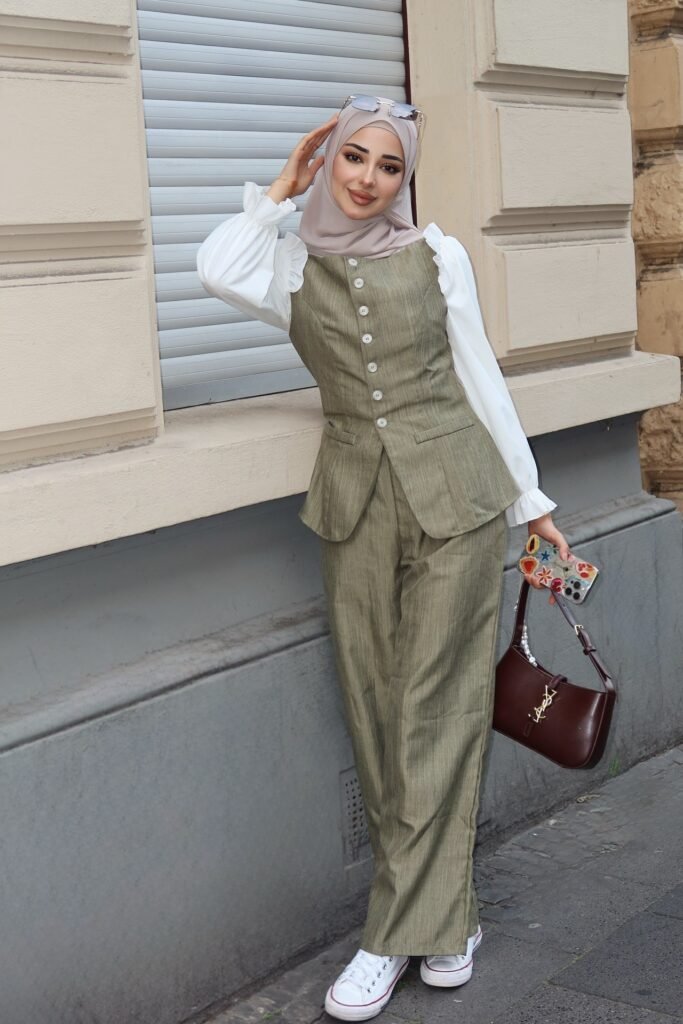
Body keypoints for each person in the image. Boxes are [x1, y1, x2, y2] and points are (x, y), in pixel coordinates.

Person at [196, 96, 570, 1022]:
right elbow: (213, 267)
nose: (366, 179)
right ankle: (449, 922)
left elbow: (481, 375)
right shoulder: (289, 261)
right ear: (331, 161)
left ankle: (387, 937)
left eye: (387, 166)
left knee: (433, 708)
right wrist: (282, 190)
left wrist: (531, 502)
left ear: (407, 178)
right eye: (351, 159)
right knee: (373, 709)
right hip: (354, 503)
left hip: (456, 500)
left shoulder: (437, 254)